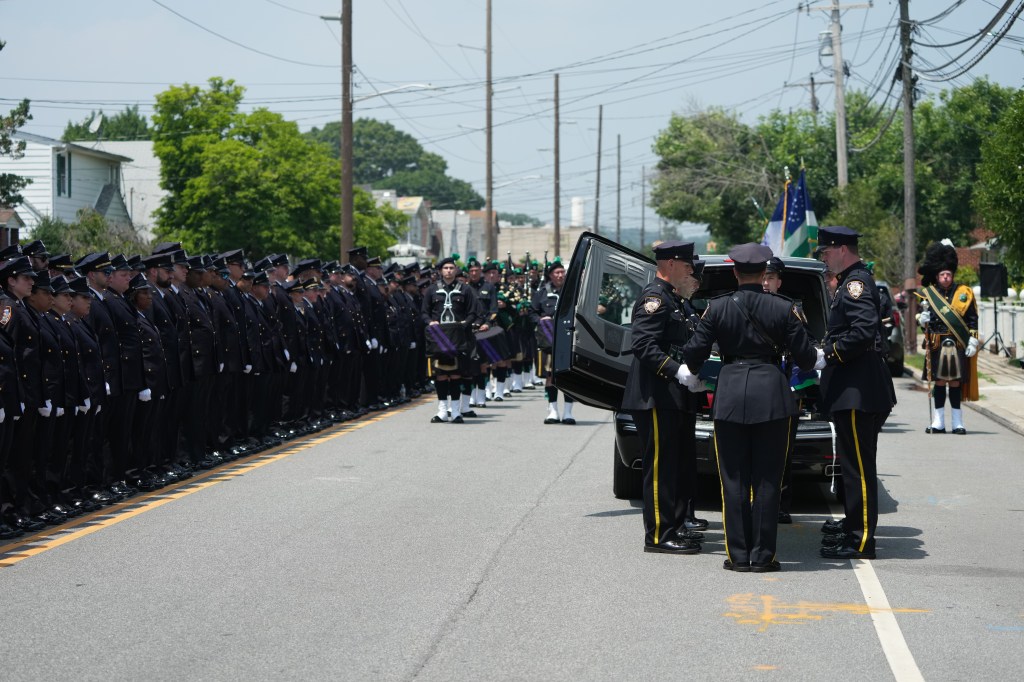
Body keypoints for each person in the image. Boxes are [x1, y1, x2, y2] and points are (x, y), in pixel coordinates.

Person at [684, 244, 820, 572]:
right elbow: (806, 359)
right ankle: (763, 556)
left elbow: (692, 357)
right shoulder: (783, 308)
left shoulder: (716, 308)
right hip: (772, 396)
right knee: (768, 480)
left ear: (734, 272)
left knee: (733, 479)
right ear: (763, 275)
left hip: (730, 394)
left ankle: (738, 555)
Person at [815, 226, 896, 561]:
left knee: (858, 468)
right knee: (851, 465)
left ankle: (861, 539)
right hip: (853, 388)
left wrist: (829, 354)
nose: (823, 258)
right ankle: (852, 525)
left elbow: (863, 331)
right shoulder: (850, 280)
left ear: (842, 249)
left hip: (857, 389)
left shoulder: (855, 283)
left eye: (826, 252)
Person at [621, 241, 705, 555]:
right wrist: (676, 371)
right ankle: (658, 534)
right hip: (655, 396)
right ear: (669, 264)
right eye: (686, 266)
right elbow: (643, 345)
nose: (691, 271)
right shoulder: (655, 298)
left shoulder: (673, 299)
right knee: (660, 468)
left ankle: (675, 524)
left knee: (674, 465)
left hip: (671, 397)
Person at [916, 241, 979, 435]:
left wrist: (973, 340)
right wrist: (921, 319)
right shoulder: (928, 295)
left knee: (955, 383)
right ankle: (938, 422)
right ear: (936, 275)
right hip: (936, 343)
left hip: (958, 343)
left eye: (948, 274)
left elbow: (972, 320)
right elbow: (922, 320)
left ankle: (958, 422)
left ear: (952, 274)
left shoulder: (964, 293)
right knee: (939, 382)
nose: (945, 277)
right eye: (942, 274)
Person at [421, 257, 483, 424]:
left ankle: (455, 411)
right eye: (445, 268)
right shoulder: (432, 290)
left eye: (451, 268)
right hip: (439, 338)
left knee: (456, 375)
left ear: (456, 270)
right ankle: (442, 411)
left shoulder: (465, 289)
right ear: (441, 271)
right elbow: (424, 312)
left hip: (458, 337)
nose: (448, 270)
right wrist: (429, 322)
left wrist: (464, 324)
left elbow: (472, 312)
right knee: (440, 375)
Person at [530, 260, 575, 424]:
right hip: (548, 341)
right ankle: (553, 410)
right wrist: (542, 320)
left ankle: (568, 412)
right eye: (557, 272)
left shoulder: (572, 291)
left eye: (562, 272)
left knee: (568, 375)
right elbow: (532, 313)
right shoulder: (541, 293)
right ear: (550, 275)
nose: (560, 275)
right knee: (550, 375)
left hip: (568, 340)